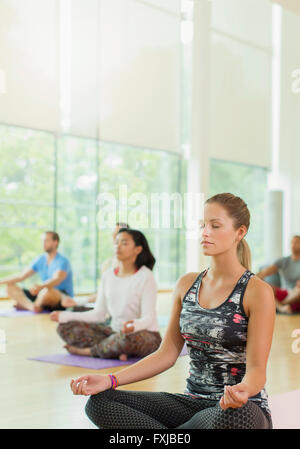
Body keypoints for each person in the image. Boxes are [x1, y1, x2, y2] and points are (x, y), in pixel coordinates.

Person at [69, 193, 275, 430]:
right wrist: (110, 379)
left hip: (236, 411)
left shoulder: (257, 291)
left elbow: (258, 370)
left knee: (240, 414)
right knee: (100, 402)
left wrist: (243, 390)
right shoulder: (187, 284)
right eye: (202, 225)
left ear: (240, 232)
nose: (205, 232)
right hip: (191, 405)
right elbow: (166, 353)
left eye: (215, 226)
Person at [50, 228, 161, 362]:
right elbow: (98, 314)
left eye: (124, 243)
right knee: (65, 327)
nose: (118, 246)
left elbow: (148, 318)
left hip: (143, 334)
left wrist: (134, 326)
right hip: (113, 332)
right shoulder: (108, 275)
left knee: (126, 339)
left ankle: (90, 351)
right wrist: (65, 316)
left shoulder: (145, 276)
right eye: (116, 243)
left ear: (137, 249)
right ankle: (113, 350)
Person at [0, 231, 74, 313]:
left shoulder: (63, 261)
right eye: (42, 241)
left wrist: (41, 287)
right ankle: (33, 307)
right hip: (41, 294)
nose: (43, 243)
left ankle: (31, 305)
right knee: (10, 287)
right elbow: (21, 276)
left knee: (48, 291)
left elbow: (56, 280)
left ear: (55, 242)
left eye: (46, 241)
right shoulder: (40, 259)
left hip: (59, 296)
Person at [61, 222, 130, 309]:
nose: (115, 237)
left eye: (118, 234)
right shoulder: (107, 264)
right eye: (114, 234)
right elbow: (103, 293)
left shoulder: (132, 267)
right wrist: (78, 301)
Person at [257, 235, 300, 313]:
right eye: (292, 243)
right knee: (268, 288)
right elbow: (264, 272)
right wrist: (253, 279)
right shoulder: (283, 261)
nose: (293, 245)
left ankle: (281, 305)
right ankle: (281, 307)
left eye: (296, 242)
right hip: (285, 293)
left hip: (297, 296)